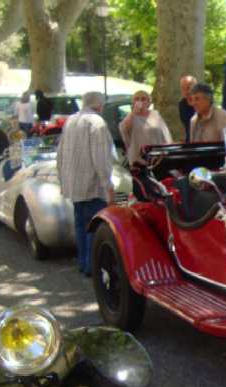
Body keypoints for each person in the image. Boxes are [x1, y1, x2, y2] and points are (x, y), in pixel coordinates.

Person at [56, 91, 115, 277]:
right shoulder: (96, 123)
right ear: (100, 105)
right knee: (94, 227)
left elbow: (60, 154)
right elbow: (101, 158)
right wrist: (108, 184)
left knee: (80, 225)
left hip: (74, 183)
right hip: (92, 185)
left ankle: (83, 262)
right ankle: (93, 266)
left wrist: (63, 179)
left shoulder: (71, 120)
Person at [119, 89, 172, 164]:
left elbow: (165, 133)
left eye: (143, 99)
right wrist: (134, 112)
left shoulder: (155, 114)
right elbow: (124, 128)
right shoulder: (131, 117)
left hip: (157, 157)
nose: (140, 101)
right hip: (138, 159)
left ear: (149, 103)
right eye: (137, 99)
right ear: (133, 102)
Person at [178, 74, 197, 142]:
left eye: (188, 87)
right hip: (189, 141)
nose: (186, 91)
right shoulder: (182, 104)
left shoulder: (203, 102)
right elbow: (186, 124)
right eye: (183, 88)